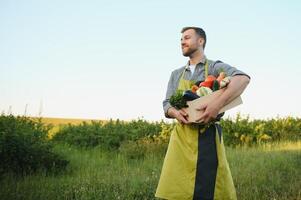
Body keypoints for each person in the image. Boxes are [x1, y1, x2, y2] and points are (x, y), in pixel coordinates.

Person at [155, 27, 250, 200]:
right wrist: (174, 113)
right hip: (181, 138)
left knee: (208, 189)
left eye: (187, 37)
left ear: (201, 41)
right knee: (178, 189)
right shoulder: (176, 74)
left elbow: (242, 79)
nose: (182, 41)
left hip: (207, 136)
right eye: (181, 39)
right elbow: (167, 103)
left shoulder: (214, 67)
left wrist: (216, 105)